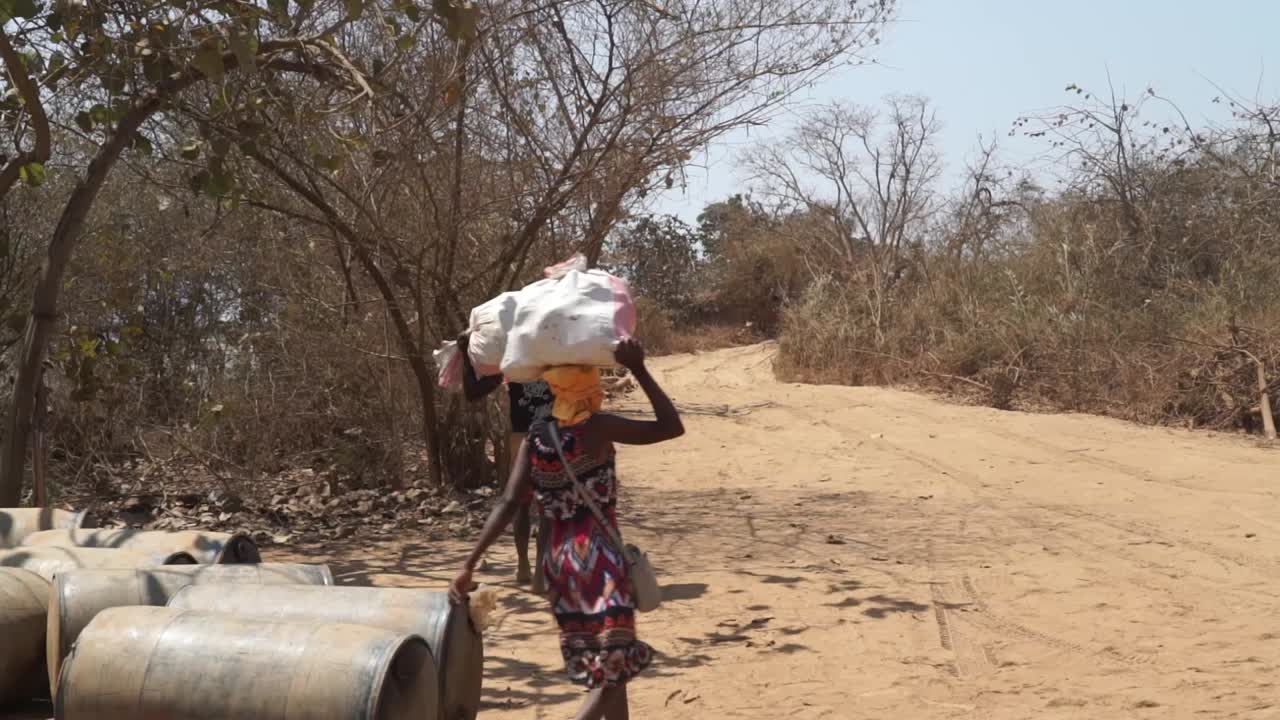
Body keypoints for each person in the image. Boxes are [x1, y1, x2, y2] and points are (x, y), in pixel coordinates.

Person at [450, 338, 684, 720]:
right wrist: (638, 368)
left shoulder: (537, 438)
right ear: (589, 386)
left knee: (607, 666)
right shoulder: (599, 428)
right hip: (601, 561)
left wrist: (469, 564)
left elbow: (509, 503)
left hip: (559, 564)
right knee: (612, 668)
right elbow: (671, 426)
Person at [457, 331, 552, 585]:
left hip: (524, 439)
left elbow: (474, 392)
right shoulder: (553, 359)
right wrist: (466, 354)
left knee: (524, 503)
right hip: (550, 438)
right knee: (544, 506)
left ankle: (527, 567)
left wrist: (466, 357)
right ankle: (535, 569)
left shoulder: (514, 365)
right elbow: (473, 393)